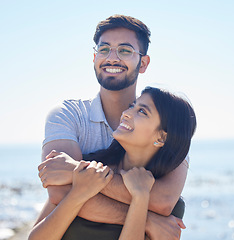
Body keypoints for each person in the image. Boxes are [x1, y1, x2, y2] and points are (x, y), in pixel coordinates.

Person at [37, 15, 191, 239]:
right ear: (94, 57)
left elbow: (162, 202)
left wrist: (74, 171)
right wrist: (147, 218)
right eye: (104, 49)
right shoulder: (68, 114)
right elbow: (59, 192)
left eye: (125, 51)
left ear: (144, 63)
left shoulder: (165, 122)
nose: (112, 58)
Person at [29, 87, 196, 240]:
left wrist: (141, 198)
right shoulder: (86, 167)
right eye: (132, 106)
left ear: (161, 137)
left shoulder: (170, 213)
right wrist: (79, 191)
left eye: (142, 112)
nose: (127, 113)